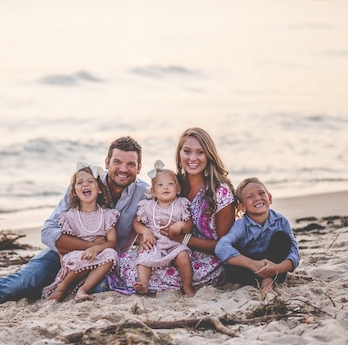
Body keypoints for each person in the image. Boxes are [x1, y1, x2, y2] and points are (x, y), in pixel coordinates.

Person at [0, 136, 148, 317]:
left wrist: (101, 249)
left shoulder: (144, 194)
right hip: (60, 255)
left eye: (131, 164)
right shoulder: (86, 184)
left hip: (103, 263)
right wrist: (91, 245)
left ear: (139, 167)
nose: (123, 169)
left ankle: (59, 288)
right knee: (22, 283)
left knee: (100, 290)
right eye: (117, 162)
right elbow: (48, 232)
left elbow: (166, 218)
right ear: (107, 162)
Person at [108, 127, 236, 294]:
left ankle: (184, 286)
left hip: (204, 260)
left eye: (200, 152)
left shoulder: (220, 192)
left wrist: (183, 239)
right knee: (124, 262)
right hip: (165, 248)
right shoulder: (174, 185)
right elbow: (151, 216)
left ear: (209, 155)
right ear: (179, 154)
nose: (193, 158)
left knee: (139, 274)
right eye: (187, 151)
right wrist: (144, 235)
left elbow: (224, 246)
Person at [41, 162, 119, 302]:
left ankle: (83, 290)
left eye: (90, 181)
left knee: (111, 254)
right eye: (80, 182)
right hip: (77, 258)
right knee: (79, 257)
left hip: (99, 257)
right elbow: (65, 244)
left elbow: (112, 242)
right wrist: (65, 257)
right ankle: (62, 288)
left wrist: (96, 248)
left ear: (100, 189)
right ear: (74, 191)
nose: (85, 185)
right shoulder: (70, 216)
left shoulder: (107, 215)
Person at [215, 177, 300, 296]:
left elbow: (294, 253)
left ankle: (267, 282)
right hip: (248, 271)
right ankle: (265, 280)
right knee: (231, 258)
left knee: (282, 238)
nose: (258, 198)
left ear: (269, 198)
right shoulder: (241, 225)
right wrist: (253, 264)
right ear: (242, 207)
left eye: (261, 193)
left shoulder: (281, 221)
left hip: (275, 268)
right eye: (250, 197)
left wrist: (276, 268)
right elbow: (221, 247)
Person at [133, 160, 195, 297]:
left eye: (170, 184)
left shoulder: (180, 204)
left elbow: (189, 225)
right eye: (160, 185)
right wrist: (145, 231)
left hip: (174, 244)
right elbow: (136, 223)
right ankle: (143, 283)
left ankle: (187, 286)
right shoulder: (148, 206)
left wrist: (181, 225)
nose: (165, 187)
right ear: (153, 192)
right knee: (143, 259)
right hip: (155, 243)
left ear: (178, 189)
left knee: (183, 256)